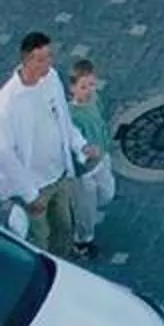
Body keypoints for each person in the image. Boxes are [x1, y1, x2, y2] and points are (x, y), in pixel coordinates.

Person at [0, 31, 80, 254]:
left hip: (59, 173)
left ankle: (67, 263)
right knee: (39, 240)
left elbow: (62, 117)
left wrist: (78, 145)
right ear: (26, 60)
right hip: (36, 185)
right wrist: (29, 193)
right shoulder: (7, 103)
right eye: (41, 59)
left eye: (49, 57)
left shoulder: (52, 78)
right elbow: (4, 153)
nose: (48, 63)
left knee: (64, 226)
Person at [66, 56, 115, 262]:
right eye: (84, 86)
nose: (89, 90)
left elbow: (101, 120)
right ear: (73, 89)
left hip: (102, 159)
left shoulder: (95, 100)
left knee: (107, 194)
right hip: (84, 170)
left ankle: (75, 210)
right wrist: (84, 153)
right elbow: (71, 141)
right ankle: (83, 240)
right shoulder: (71, 115)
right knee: (87, 209)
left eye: (92, 84)